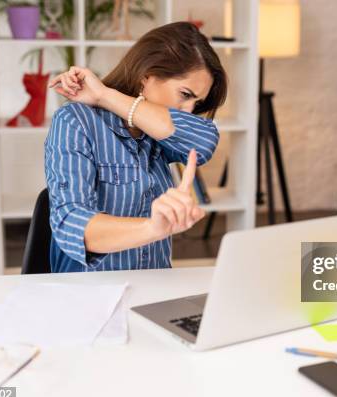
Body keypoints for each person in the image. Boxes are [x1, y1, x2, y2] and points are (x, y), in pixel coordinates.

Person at [45, 22, 227, 272]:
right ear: (146, 76)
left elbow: (204, 141)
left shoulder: (160, 134)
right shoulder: (76, 121)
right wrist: (151, 228)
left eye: (197, 103)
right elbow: (71, 224)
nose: (189, 111)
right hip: (93, 293)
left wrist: (105, 96)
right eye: (185, 95)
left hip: (156, 287)